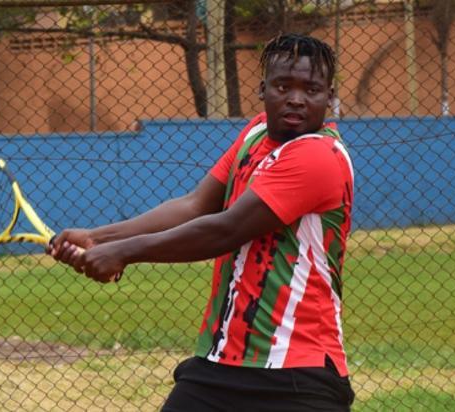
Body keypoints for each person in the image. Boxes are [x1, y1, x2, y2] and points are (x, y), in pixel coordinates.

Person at [49, 33, 355, 411]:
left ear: (329, 96)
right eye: (283, 86)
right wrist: (99, 237)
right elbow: (195, 205)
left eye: (311, 89)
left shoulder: (319, 157)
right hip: (221, 362)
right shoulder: (256, 133)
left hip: (297, 372)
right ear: (262, 89)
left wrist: (123, 252)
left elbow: (225, 230)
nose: (296, 98)